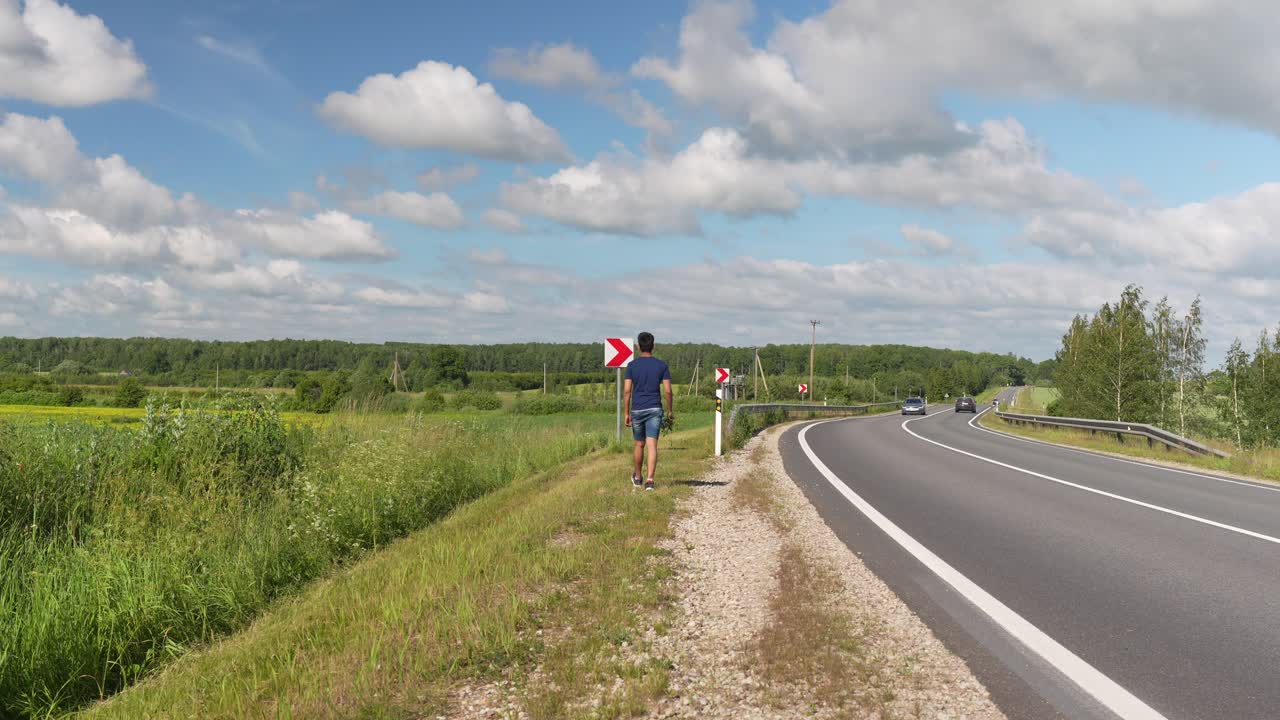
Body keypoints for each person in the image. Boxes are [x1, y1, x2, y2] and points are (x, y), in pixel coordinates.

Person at [623, 331, 673, 491]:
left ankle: (638, 477)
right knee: (652, 445)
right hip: (655, 408)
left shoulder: (632, 366)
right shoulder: (661, 366)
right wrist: (670, 410)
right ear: (654, 346)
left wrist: (626, 412)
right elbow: (667, 391)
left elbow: (626, 391)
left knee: (639, 444)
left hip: (637, 409)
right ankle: (650, 481)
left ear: (638, 347)